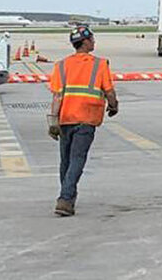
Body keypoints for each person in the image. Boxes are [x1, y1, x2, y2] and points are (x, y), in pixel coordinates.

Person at [48, 26, 118, 217]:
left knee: (66, 161)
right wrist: (114, 106)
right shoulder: (100, 64)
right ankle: (65, 198)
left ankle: (67, 197)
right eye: (92, 39)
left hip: (65, 119)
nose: (94, 42)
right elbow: (109, 91)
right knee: (77, 159)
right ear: (85, 42)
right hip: (86, 118)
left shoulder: (61, 65)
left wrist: (53, 122)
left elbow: (57, 96)